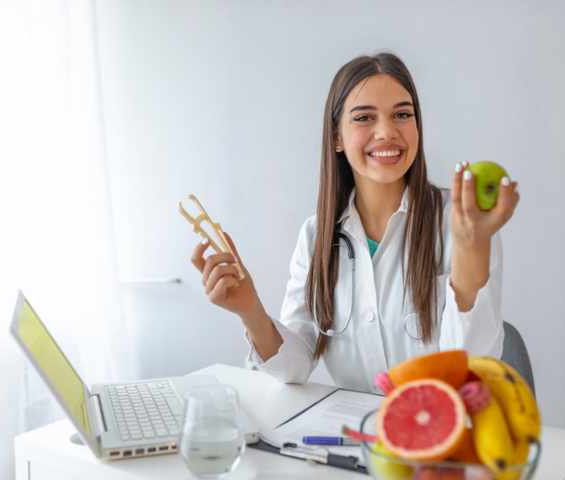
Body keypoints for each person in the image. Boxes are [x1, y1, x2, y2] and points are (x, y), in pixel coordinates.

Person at [190, 52, 519, 392]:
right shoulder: (317, 235)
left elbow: (474, 366)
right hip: (354, 437)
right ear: (336, 137)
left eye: (402, 114)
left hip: (442, 433)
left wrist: (470, 247)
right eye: (364, 118)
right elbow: (295, 365)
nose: (387, 132)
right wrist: (250, 309)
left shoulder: (464, 223)